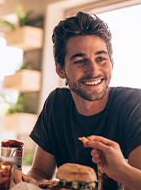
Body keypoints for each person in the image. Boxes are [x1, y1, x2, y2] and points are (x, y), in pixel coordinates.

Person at [13, 11, 141, 189]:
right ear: (60, 69)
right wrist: (29, 183)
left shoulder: (134, 105)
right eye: (80, 61)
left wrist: (120, 169)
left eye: (101, 59)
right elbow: (41, 173)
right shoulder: (56, 103)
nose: (94, 70)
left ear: (112, 62)